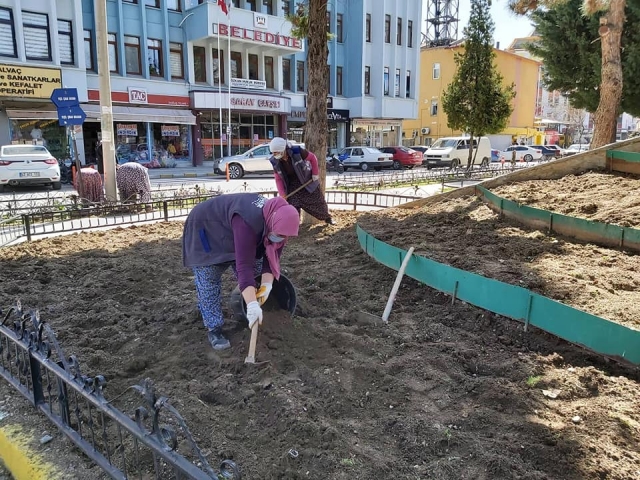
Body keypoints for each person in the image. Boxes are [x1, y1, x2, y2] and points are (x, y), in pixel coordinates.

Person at [182, 193, 300, 350]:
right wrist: (252, 304)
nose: (282, 238)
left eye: (285, 236)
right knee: (209, 278)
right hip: (207, 230)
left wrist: (266, 285)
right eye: (279, 235)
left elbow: (271, 258)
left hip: (233, 232)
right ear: (272, 222)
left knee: (256, 275)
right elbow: (244, 266)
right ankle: (214, 329)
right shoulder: (248, 220)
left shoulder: (279, 223)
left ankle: (254, 314)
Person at [268, 137, 335, 225]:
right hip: (291, 184)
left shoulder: (297, 151)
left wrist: (315, 174)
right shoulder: (274, 161)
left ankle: (327, 218)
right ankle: (294, 226)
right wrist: (282, 194)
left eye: (276, 152)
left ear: (282, 149)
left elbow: (312, 158)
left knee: (317, 201)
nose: (274, 155)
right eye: (273, 153)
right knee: (293, 206)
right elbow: (278, 178)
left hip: (305, 180)